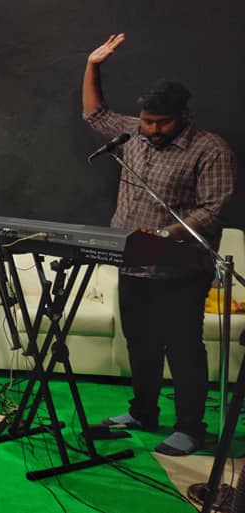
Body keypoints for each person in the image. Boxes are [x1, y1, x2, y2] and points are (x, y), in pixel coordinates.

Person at [83, 34, 237, 455]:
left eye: (161, 123)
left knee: (183, 347)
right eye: (147, 121)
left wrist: (167, 235)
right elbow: (95, 114)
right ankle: (143, 412)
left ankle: (190, 427)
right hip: (133, 261)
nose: (151, 129)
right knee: (141, 344)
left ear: (183, 116)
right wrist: (93, 65)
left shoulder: (210, 149)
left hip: (180, 268)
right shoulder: (133, 133)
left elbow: (213, 208)